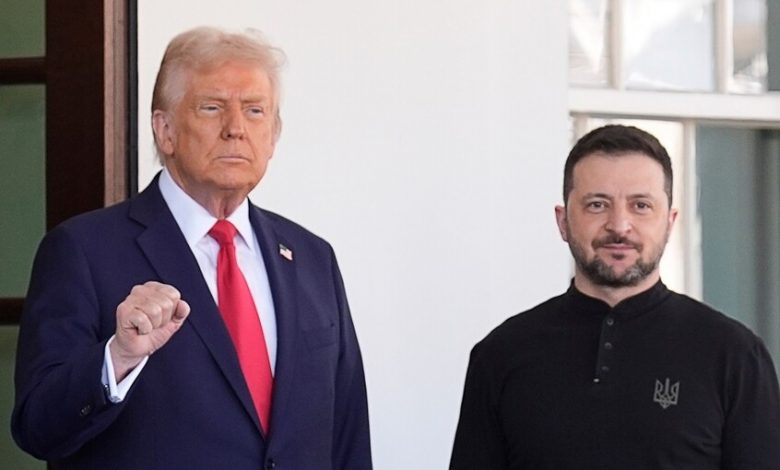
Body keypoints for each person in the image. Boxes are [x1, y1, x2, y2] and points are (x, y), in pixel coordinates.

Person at [12, 26, 372, 470]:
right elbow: (37, 426)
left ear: (273, 136)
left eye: (255, 111)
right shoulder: (83, 251)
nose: (235, 129)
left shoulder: (313, 258)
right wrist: (118, 357)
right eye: (212, 107)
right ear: (165, 130)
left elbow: (348, 436)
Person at [449, 124, 780, 469]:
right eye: (597, 205)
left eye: (641, 205)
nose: (619, 225)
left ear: (670, 222)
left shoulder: (734, 355)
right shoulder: (501, 354)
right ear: (563, 222)